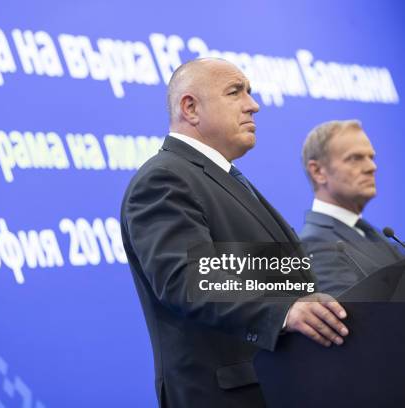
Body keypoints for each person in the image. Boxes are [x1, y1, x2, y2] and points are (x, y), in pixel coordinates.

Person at [120, 58, 349, 408]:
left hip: (280, 383)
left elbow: (266, 273)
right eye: (235, 91)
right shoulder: (164, 179)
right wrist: (284, 311)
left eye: (250, 92)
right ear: (190, 107)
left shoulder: (220, 178)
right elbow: (188, 279)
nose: (253, 104)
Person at [299, 120, 403, 297]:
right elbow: (354, 318)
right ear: (318, 172)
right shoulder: (315, 244)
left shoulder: (374, 234)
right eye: (355, 158)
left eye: (371, 157)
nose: (372, 167)